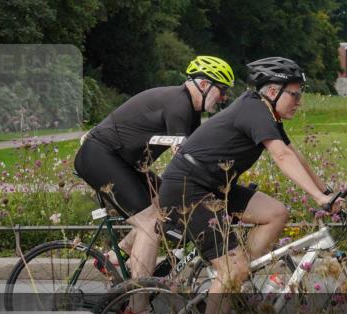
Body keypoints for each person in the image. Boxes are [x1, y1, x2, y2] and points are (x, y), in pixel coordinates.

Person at [158, 57, 344, 314]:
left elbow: (294, 154)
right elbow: (280, 156)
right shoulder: (254, 109)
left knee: (276, 213)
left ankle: (236, 278)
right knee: (233, 269)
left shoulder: (266, 113)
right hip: (189, 188)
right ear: (272, 92)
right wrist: (318, 198)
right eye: (294, 94)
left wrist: (326, 192)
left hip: (216, 186)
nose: (299, 101)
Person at [73, 55, 234, 284]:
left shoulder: (190, 111)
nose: (224, 97)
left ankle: (114, 259)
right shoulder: (180, 104)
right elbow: (185, 157)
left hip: (123, 162)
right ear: (205, 85)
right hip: (100, 157)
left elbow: (199, 154)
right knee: (149, 224)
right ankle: (138, 309)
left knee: (167, 205)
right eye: (223, 90)